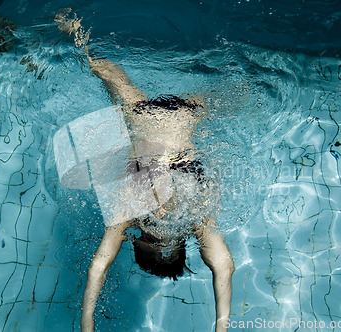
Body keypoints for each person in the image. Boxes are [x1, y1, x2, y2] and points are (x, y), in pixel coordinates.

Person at [54, 9, 234, 332]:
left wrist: (223, 326)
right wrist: (86, 322)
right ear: (138, 242)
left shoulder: (190, 222)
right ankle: (77, 32)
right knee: (102, 70)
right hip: (149, 119)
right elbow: (98, 265)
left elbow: (224, 266)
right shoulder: (135, 214)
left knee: (107, 73)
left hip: (181, 119)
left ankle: (78, 33)